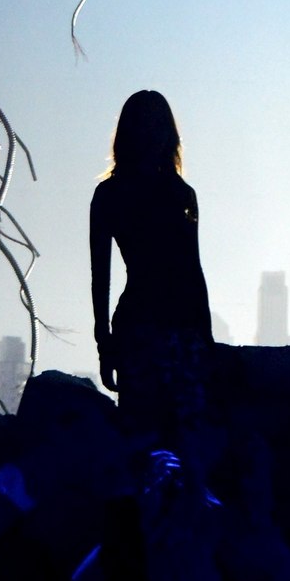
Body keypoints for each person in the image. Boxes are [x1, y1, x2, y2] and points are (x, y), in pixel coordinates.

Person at [90, 89, 215, 452]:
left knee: (148, 446)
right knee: (179, 445)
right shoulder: (179, 194)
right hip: (164, 330)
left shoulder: (114, 194)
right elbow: (192, 270)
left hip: (148, 328)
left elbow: (101, 277)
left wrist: (105, 342)